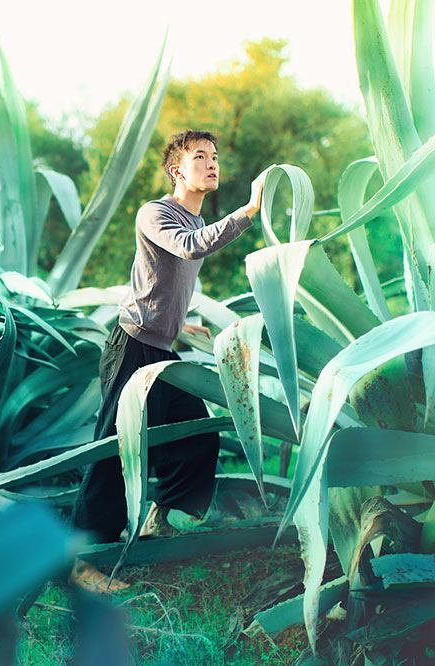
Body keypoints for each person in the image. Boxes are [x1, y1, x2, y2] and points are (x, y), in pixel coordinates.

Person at [69, 129, 266, 592]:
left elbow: (168, 281)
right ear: (177, 170)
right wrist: (249, 210)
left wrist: (180, 326)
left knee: (196, 434)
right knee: (115, 451)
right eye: (200, 156)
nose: (212, 163)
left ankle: (158, 518)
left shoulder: (194, 219)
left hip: (162, 348)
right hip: (132, 348)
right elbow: (189, 247)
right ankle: (82, 562)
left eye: (214, 156)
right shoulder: (155, 213)